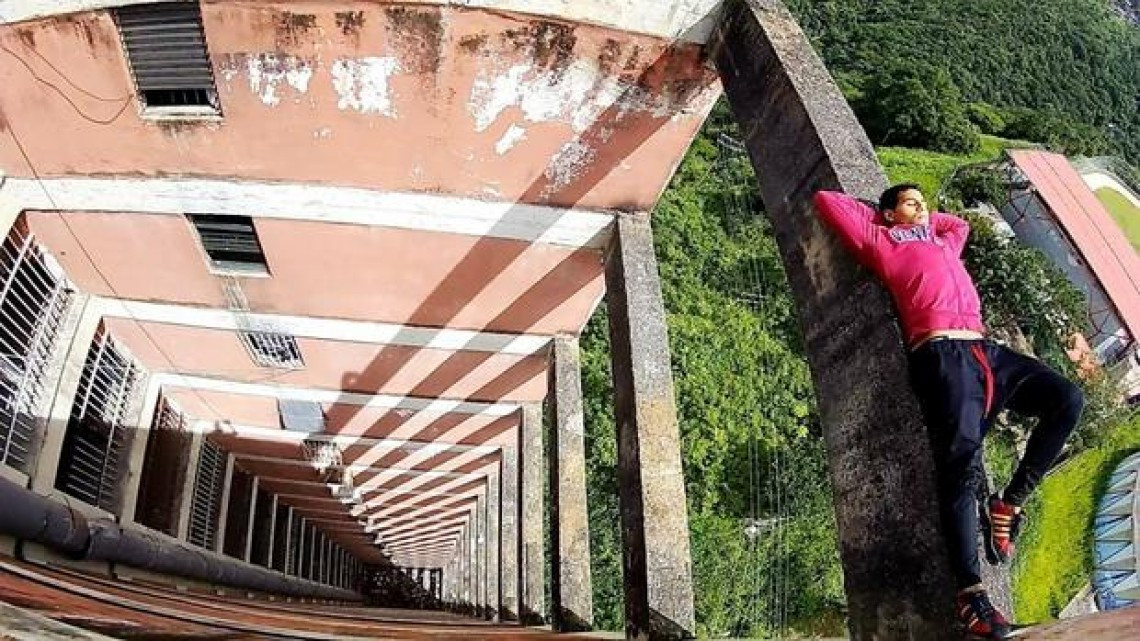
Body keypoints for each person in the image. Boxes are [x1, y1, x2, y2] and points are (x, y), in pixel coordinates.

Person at [813, 185, 1085, 640]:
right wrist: (890, 221)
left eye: (924, 201)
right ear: (888, 213)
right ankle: (972, 595)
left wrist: (923, 219)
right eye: (911, 202)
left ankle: (1009, 503)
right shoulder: (877, 239)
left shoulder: (942, 240)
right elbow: (828, 200)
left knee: (1067, 400)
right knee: (961, 468)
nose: (923, 208)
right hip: (941, 352)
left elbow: (958, 225)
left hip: (985, 351)